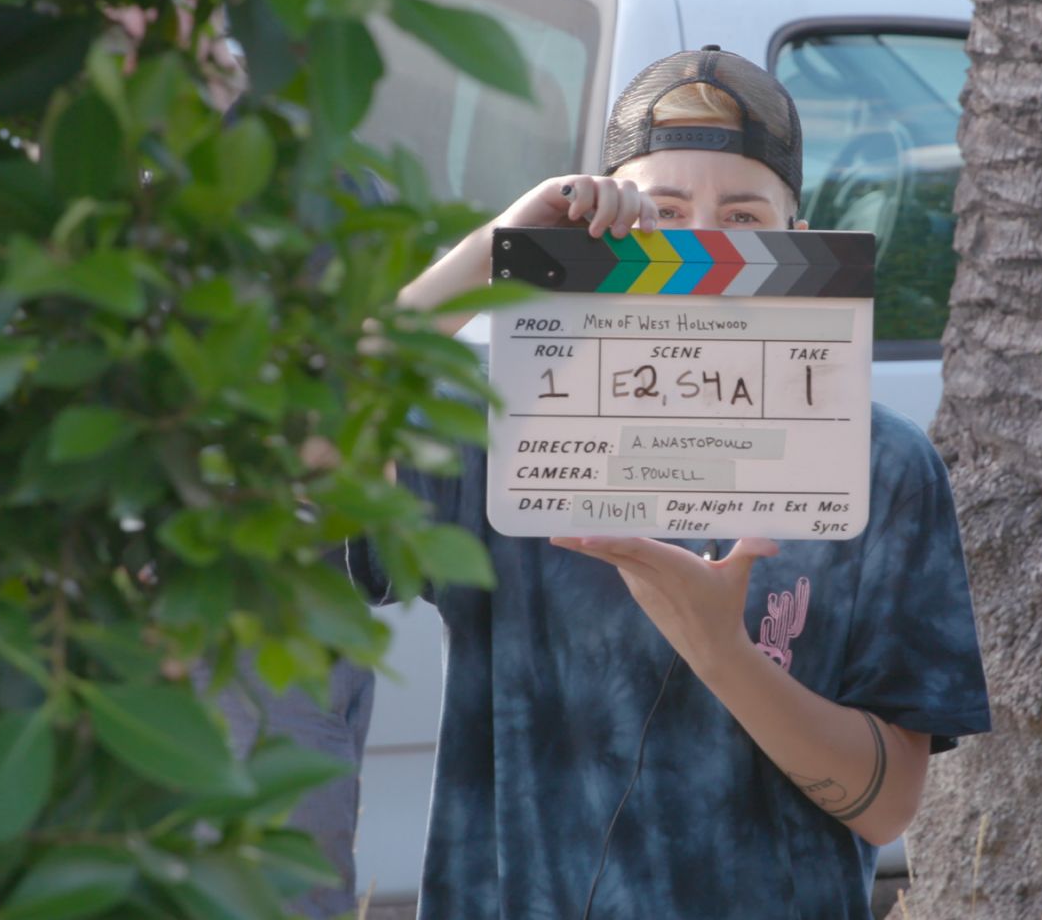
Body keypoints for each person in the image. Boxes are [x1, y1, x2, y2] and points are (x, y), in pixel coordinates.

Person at [349, 46, 990, 918]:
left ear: (798, 241)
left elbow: (888, 806)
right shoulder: (503, 427)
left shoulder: (882, 467)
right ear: (600, 236)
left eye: (743, 216)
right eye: (663, 212)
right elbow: (309, 432)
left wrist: (722, 651)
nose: (699, 244)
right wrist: (495, 253)